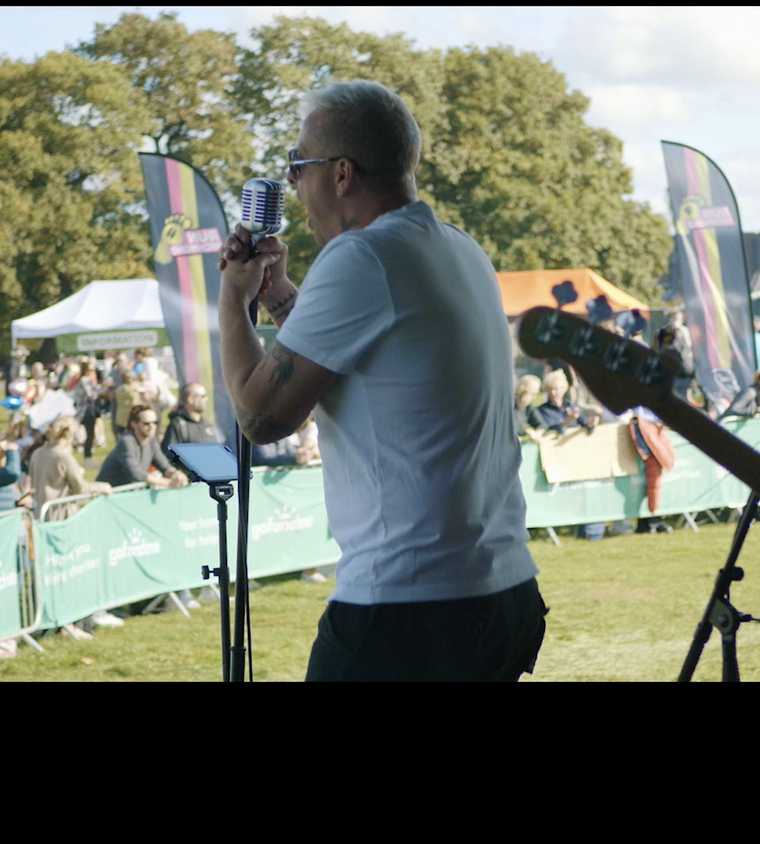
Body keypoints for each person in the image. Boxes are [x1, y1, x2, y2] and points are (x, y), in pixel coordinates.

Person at [216, 79, 545, 681]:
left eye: (298, 165)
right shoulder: (457, 248)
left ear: (341, 174)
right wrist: (278, 293)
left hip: (410, 609)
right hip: (500, 590)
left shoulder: (362, 257)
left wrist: (232, 303)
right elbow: (359, 365)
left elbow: (260, 417)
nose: (293, 184)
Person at [29, 415, 113, 508]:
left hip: (40, 512)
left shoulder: (37, 453)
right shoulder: (63, 457)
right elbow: (80, 487)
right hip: (61, 513)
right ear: (70, 435)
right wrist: (102, 487)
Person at [97, 405, 187, 489]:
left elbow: (163, 465)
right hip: (109, 494)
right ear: (134, 424)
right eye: (147, 423)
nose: (152, 427)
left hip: (129, 493)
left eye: (155, 423)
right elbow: (135, 473)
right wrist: (167, 483)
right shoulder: (126, 441)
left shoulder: (151, 441)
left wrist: (176, 474)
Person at [163, 383, 222, 450]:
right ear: (190, 400)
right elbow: (170, 454)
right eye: (202, 396)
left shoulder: (206, 424)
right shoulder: (178, 425)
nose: (206, 399)